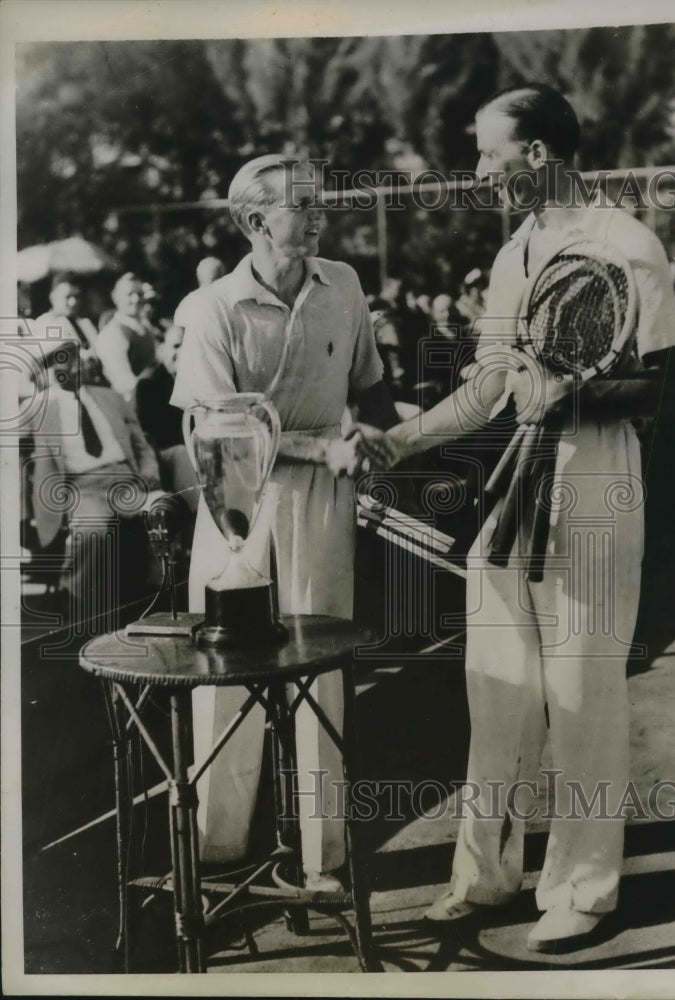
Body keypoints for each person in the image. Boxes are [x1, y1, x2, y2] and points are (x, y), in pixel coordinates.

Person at [382, 84, 675, 951]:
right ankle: (484, 877)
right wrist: (399, 440)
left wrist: (579, 391)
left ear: (539, 155)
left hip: (596, 480)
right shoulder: (517, 247)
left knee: (581, 692)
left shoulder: (627, 242)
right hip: (515, 487)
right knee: (497, 688)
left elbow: (672, 383)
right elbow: (490, 383)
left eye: (488, 153)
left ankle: (585, 890)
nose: (479, 171)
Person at [170, 154, 397, 888]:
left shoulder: (348, 286)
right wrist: (322, 446)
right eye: (304, 203)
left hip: (325, 508)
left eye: (321, 200)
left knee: (322, 681)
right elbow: (216, 432)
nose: (321, 213)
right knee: (225, 682)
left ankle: (321, 860)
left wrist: (382, 450)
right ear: (253, 219)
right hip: (235, 510)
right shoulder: (211, 309)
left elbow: (372, 388)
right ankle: (215, 856)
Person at [21, 336, 161, 626]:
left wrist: (149, 471)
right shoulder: (37, 410)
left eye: (72, 358)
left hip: (126, 478)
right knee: (94, 528)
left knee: (161, 512)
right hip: (82, 486)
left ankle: (158, 603)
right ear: (44, 372)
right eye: (59, 362)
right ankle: (82, 612)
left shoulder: (109, 397)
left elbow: (141, 444)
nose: (70, 367)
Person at [135, 324, 198, 510]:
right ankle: (197, 517)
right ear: (161, 349)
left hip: (195, 451)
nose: (182, 353)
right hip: (166, 454)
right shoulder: (149, 383)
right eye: (176, 346)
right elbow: (153, 436)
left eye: (188, 347)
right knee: (181, 454)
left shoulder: (196, 379)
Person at [35, 273, 105, 385]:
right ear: (53, 297)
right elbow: (42, 367)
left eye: (76, 297)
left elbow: (100, 355)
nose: (73, 302)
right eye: (67, 297)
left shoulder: (85, 324)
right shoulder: (44, 323)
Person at [97, 272, 157, 401]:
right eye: (130, 294)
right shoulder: (112, 334)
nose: (136, 299)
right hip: (131, 404)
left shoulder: (145, 327)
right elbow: (124, 384)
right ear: (115, 297)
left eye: (140, 294)